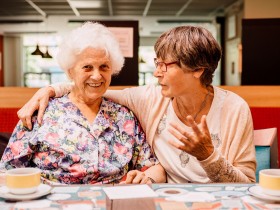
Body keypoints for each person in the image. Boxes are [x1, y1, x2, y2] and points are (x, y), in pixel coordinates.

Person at [17, 25, 256, 183]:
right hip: (167, 202)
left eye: (165, 65)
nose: (156, 73)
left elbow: (246, 184)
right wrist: (49, 89)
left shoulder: (234, 109)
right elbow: (96, 88)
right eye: (157, 63)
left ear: (197, 70)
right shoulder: (151, 99)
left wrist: (208, 156)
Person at [0, 22, 166, 185]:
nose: (97, 76)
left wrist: (146, 178)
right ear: (70, 71)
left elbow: (153, 166)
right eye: (87, 67)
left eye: (104, 67)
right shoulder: (41, 111)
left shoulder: (124, 116)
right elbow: (7, 172)